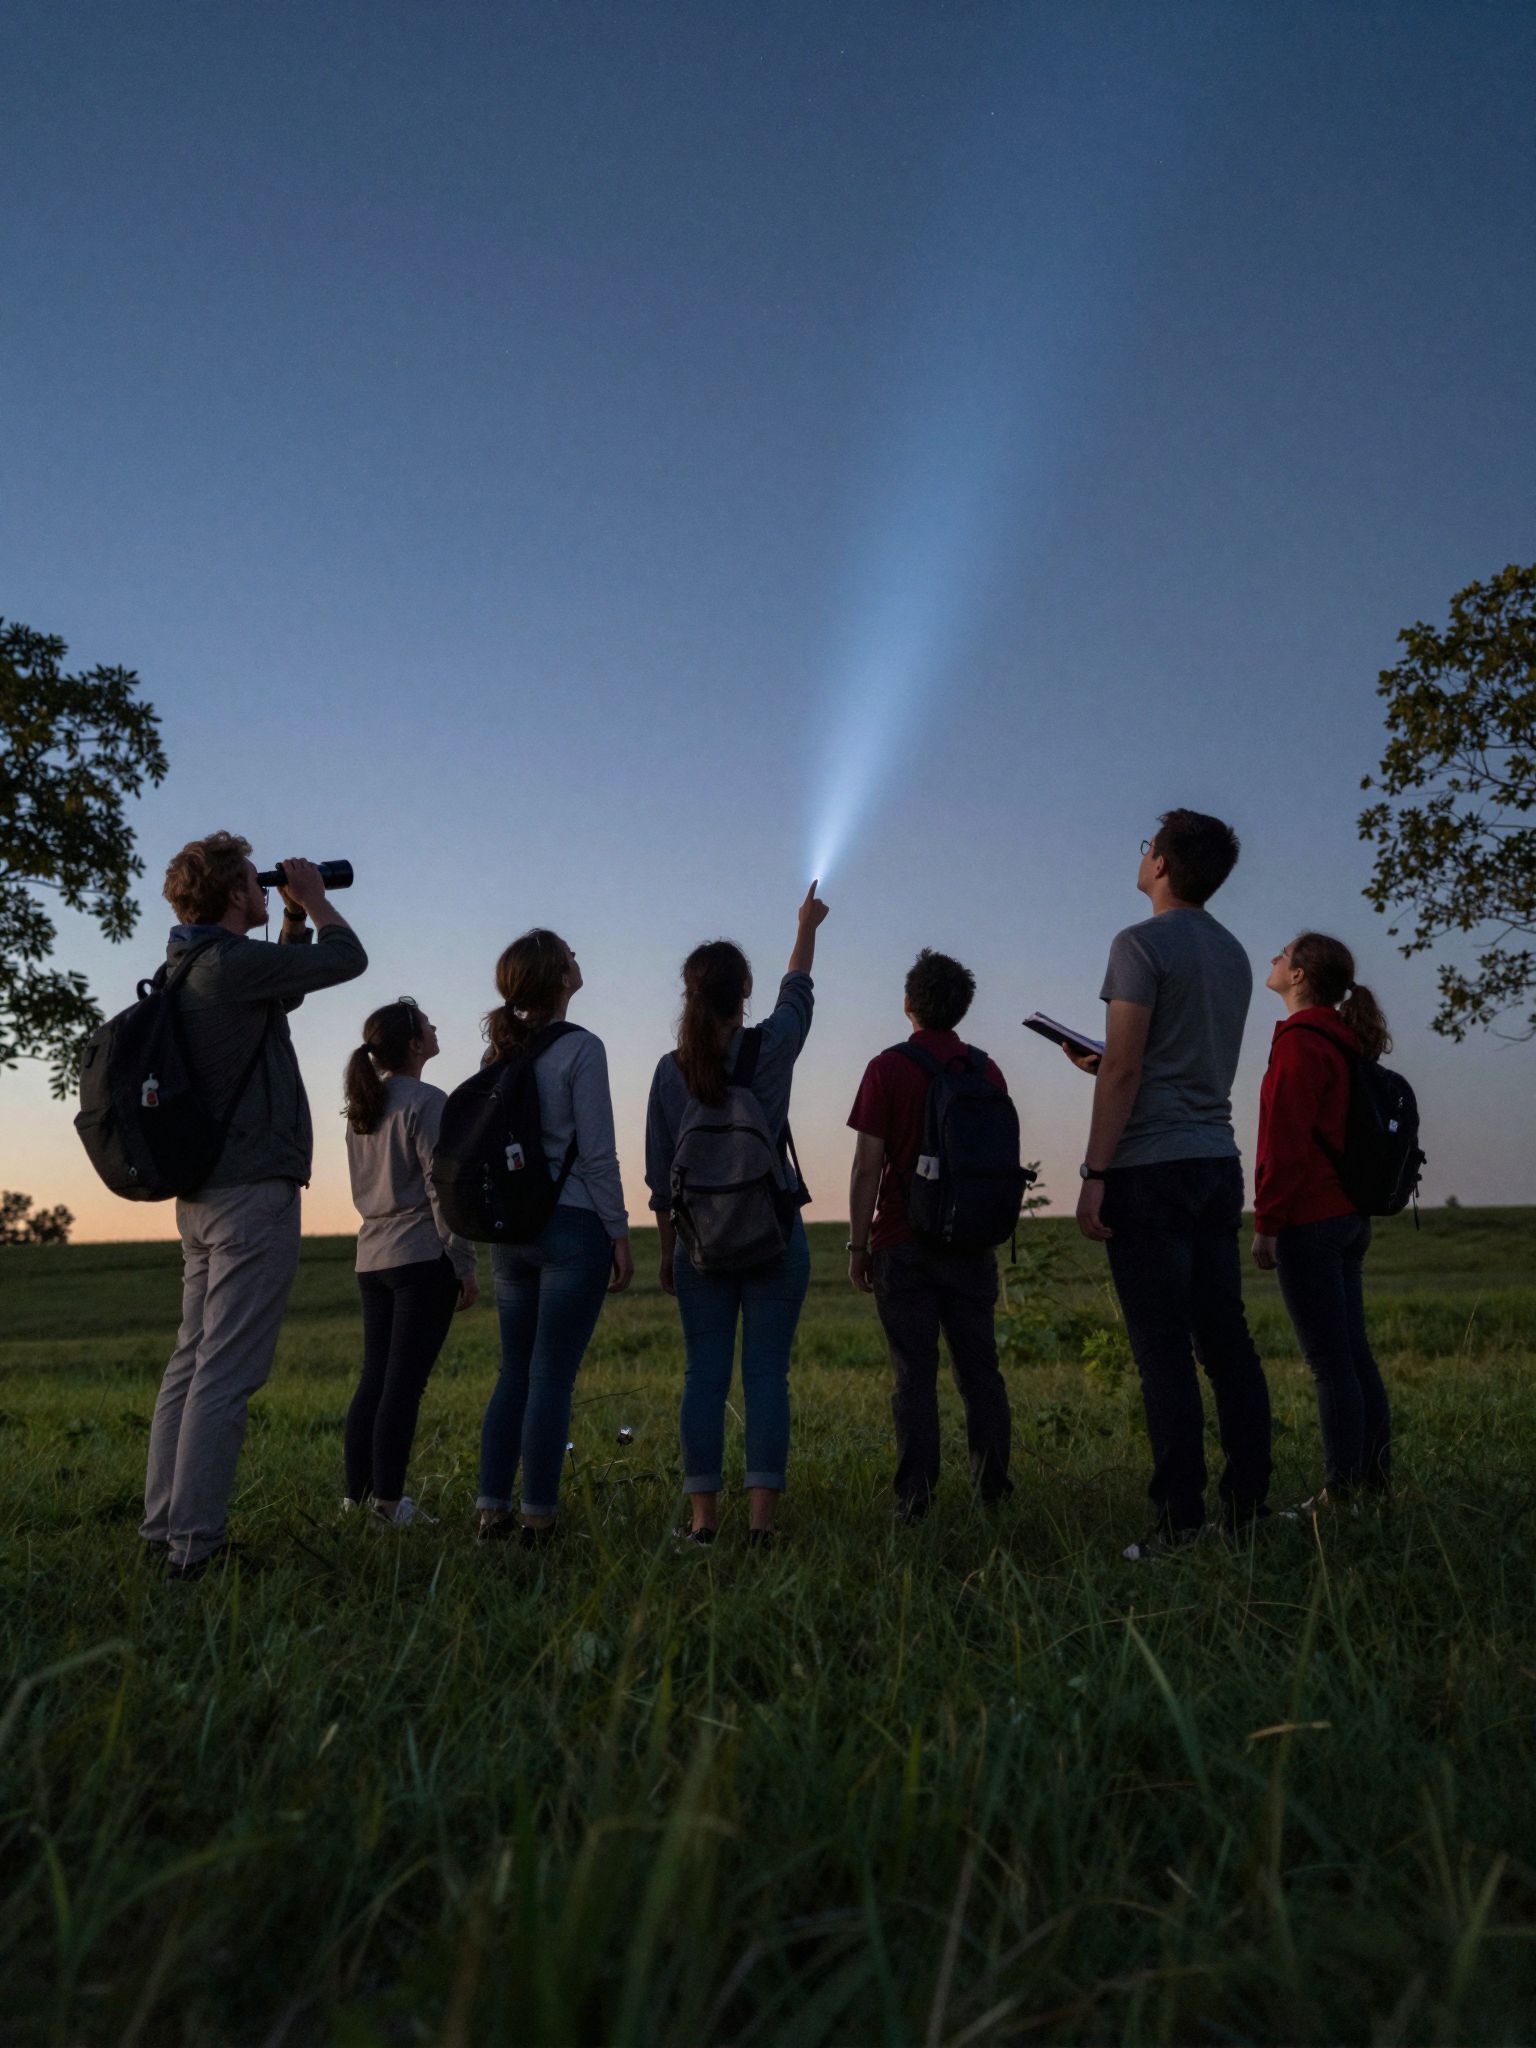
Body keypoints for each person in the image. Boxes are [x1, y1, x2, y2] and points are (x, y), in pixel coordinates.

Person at [141, 835, 367, 1579]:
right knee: (225, 1372)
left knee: (191, 1361)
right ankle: (194, 1550)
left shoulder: (194, 963)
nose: (266, 886)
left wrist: (293, 919)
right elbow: (347, 960)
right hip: (248, 1195)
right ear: (236, 893)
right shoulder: (227, 964)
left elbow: (289, 985)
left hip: (205, 1194)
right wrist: (319, 899)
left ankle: (165, 1530)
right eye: (255, 881)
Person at [1069, 810, 1271, 1556]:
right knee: (1227, 1342)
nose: (1142, 854)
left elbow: (1124, 1068)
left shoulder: (1139, 943)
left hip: (1148, 1169)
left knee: (1162, 1350)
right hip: (1216, 1160)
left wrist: (1095, 1172)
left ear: (1160, 865)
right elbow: (1173, 1053)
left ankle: (1179, 1523)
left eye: (1146, 845)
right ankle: (1249, 1506)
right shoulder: (1236, 953)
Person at [646, 883, 828, 1546]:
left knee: (704, 1375)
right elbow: (799, 990)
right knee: (765, 1375)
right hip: (774, 1235)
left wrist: (671, 1250)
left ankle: (702, 1526)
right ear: (742, 994)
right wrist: (806, 924)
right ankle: (760, 1528)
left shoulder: (671, 1072)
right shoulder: (773, 1047)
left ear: (690, 996)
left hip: (700, 1248)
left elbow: (661, 1177)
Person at [475, 930, 632, 1546]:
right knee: (550, 1380)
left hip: (509, 1236)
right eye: (572, 953)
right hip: (571, 1228)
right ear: (560, 978)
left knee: (513, 1374)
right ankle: (538, 1519)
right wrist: (618, 1234)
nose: (578, 959)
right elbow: (598, 1155)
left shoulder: (500, 1054)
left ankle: (491, 1513)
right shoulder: (582, 1049)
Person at [846, 949, 1013, 1522]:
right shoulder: (986, 1070)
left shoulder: (887, 1067)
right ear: (962, 1006)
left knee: (914, 1374)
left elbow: (868, 1165)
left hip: (901, 1240)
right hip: (971, 1241)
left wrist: (857, 1245)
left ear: (909, 1003)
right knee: (980, 1371)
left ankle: (914, 1500)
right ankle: (993, 1492)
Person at [1252, 933, 1393, 1508]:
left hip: (1309, 1219)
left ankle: (1340, 1494)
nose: (1273, 959)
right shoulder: (1342, 1040)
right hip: (1349, 1218)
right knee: (1353, 1356)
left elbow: (1284, 1143)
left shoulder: (1299, 1043)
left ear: (1301, 975)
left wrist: (1268, 1222)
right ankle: (1374, 1486)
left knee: (1330, 1365)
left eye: (1281, 954)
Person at [342, 997, 479, 1528]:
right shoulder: (427, 1101)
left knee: (374, 1379)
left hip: (371, 1258)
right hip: (420, 1256)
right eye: (428, 1024)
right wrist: (463, 1261)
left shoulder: (363, 1107)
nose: (436, 1026)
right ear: (415, 1043)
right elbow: (441, 1188)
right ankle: (388, 1505)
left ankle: (358, 1499)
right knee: (404, 1384)